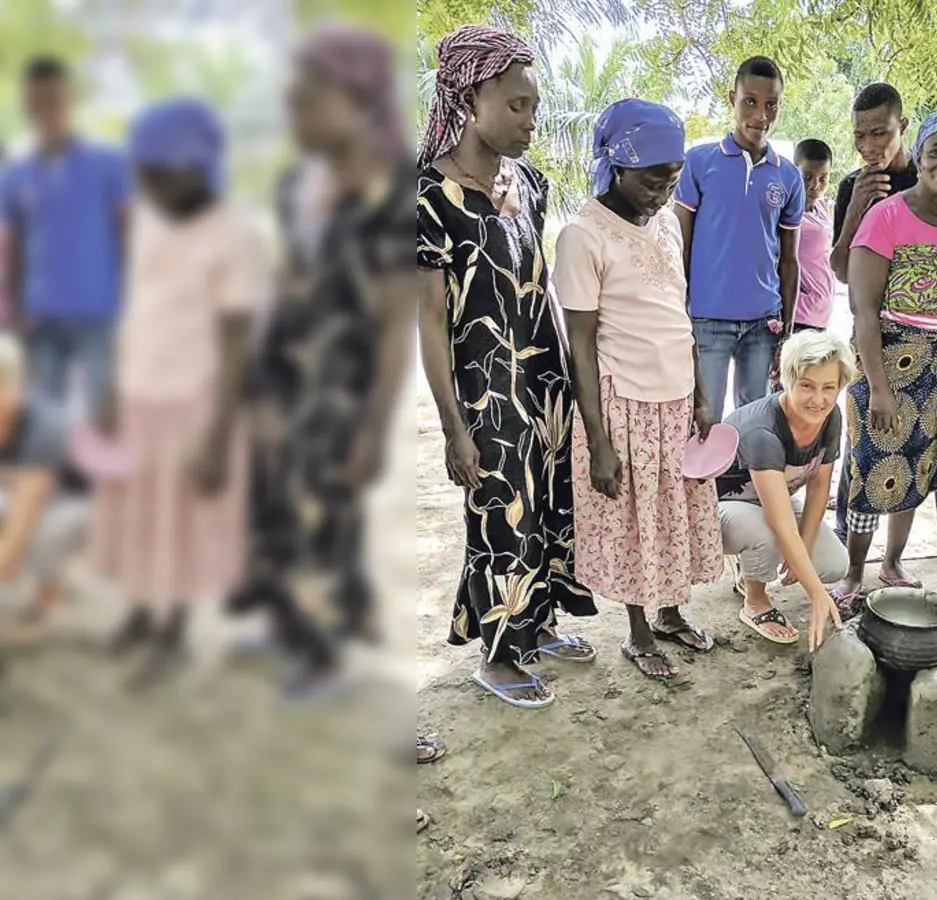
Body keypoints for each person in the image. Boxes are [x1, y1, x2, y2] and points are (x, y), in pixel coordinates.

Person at [222, 27, 414, 698]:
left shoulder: (394, 196)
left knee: (328, 514)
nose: (295, 113)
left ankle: (325, 651)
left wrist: (372, 426)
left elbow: (395, 324)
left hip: (345, 384)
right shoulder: (297, 185)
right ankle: (285, 623)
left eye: (309, 99)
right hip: (285, 367)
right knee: (275, 501)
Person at [417, 25, 598, 710]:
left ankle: (536, 625)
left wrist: (573, 389)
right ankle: (497, 659)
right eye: (516, 106)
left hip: (542, 377)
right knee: (503, 515)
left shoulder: (528, 182)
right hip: (486, 387)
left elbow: (539, 283)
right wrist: (454, 429)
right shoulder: (428, 201)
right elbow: (431, 325)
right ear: (469, 100)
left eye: (534, 107)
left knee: (550, 502)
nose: (530, 121)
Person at [90, 98, 261, 687]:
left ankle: (172, 634)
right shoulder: (144, 224)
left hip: (194, 406)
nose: (152, 186)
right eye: (145, 175)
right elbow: (130, 313)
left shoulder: (232, 233)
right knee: (135, 518)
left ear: (197, 166)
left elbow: (237, 340)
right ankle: (139, 614)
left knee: (179, 526)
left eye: (163, 174)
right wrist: (111, 391)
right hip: (139, 394)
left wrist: (217, 435)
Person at [558, 99, 723, 684]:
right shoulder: (583, 235)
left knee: (674, 513)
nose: (663, 191)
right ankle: (638, 632)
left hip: (675, 400)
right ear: (617, 168)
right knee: (635, 522)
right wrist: (599, 440)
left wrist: (701, 393)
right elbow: (579, 343)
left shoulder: (665, 224)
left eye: (672, 179)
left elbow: (679, 313)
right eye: (653, 180)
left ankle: (672, 611)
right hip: (623, 404)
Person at [829, 82, 937, 573]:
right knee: (868, 468)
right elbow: (861, 304)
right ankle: (855, 571)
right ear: (921, 154)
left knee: (917, 467)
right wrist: (877, 386)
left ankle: (894, 563)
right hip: (884, 358)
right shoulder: (880, 210)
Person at [674, 56, 804, 421]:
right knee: (706, 420)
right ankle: (704, 483)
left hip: (764, 323)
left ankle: (744, 482)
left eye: (771, 105)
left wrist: (787, 330)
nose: (760, 115)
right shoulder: (699, 163)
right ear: (732, 97)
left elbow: (790, 261)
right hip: (707, 319)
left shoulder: (789, 177)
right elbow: (678, 247)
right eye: (750, 101)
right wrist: (677, 312)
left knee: (753, 421)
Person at [0, 57, 131, 417]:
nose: (45, 109)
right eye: (35, 101)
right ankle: (57, 474)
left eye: (53, 99)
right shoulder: (14, 174)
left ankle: (100, 475)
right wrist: (12, 310)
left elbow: (127, 235)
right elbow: (16, 248)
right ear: (25, 105)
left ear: (70, 100)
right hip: (40, 316)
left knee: (103, 412)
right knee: (46, 413)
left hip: (100, 310)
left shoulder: (109, 163)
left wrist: (132, 303)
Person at [717, 330, 849, 652]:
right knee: (768, 533)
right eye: (807, 385)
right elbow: (780, 522)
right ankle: (755, 600)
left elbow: (819, 486)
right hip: (723, 507)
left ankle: (749, 570)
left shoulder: (829, 416)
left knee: (833, 563)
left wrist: (801, 550)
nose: (818, 399)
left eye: (828, 388)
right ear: (786, 380)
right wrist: (816, 594)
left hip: (772, 499)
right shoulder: (763, 431)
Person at [0, 335, 90, 647]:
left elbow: (24, 515)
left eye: (3, 385)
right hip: (22, 490)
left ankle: (45, 603)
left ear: (18, 385)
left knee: (44, 532)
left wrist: (8, 555)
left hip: (80, 504)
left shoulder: (44, 425)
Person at [793, 138, 836, 334]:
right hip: (798, 315)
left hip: (820, 314)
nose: (815, 186)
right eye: (807, 177)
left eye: (823, 178)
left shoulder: (819, 208)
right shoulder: (787, 214)